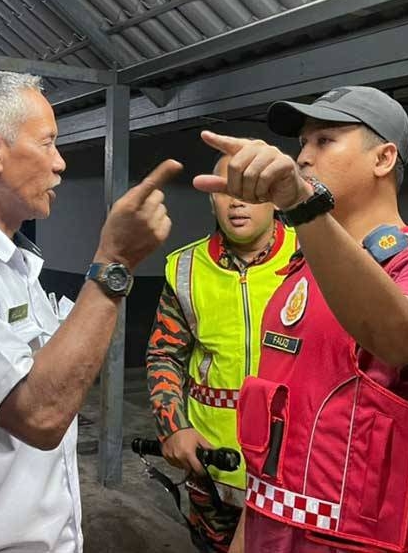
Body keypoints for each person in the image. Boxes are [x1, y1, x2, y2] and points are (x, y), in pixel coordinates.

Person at [0, 69, 182, 552]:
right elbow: (41, 414)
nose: (60, 163)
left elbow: (57, 375)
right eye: (48, 144)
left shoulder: (17, 265)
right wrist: (114, 264)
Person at [192, 86, 408, 553]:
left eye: (325, 141)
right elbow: (273, 446)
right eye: (303, 142)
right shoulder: (298, 272)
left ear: (383, 159)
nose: (304, 156)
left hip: (358, 543)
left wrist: (303, 208)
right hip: (269, 528)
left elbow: (403, 339)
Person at [146, 154, 297, 552]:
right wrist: (173, 426)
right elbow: (164, 355)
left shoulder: (314, 259)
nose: (236, 201)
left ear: (277, 197)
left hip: (296, 470)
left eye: (251, 189)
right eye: (224, 189)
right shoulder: (185, 268)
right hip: (212, 467)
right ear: (210, 199)